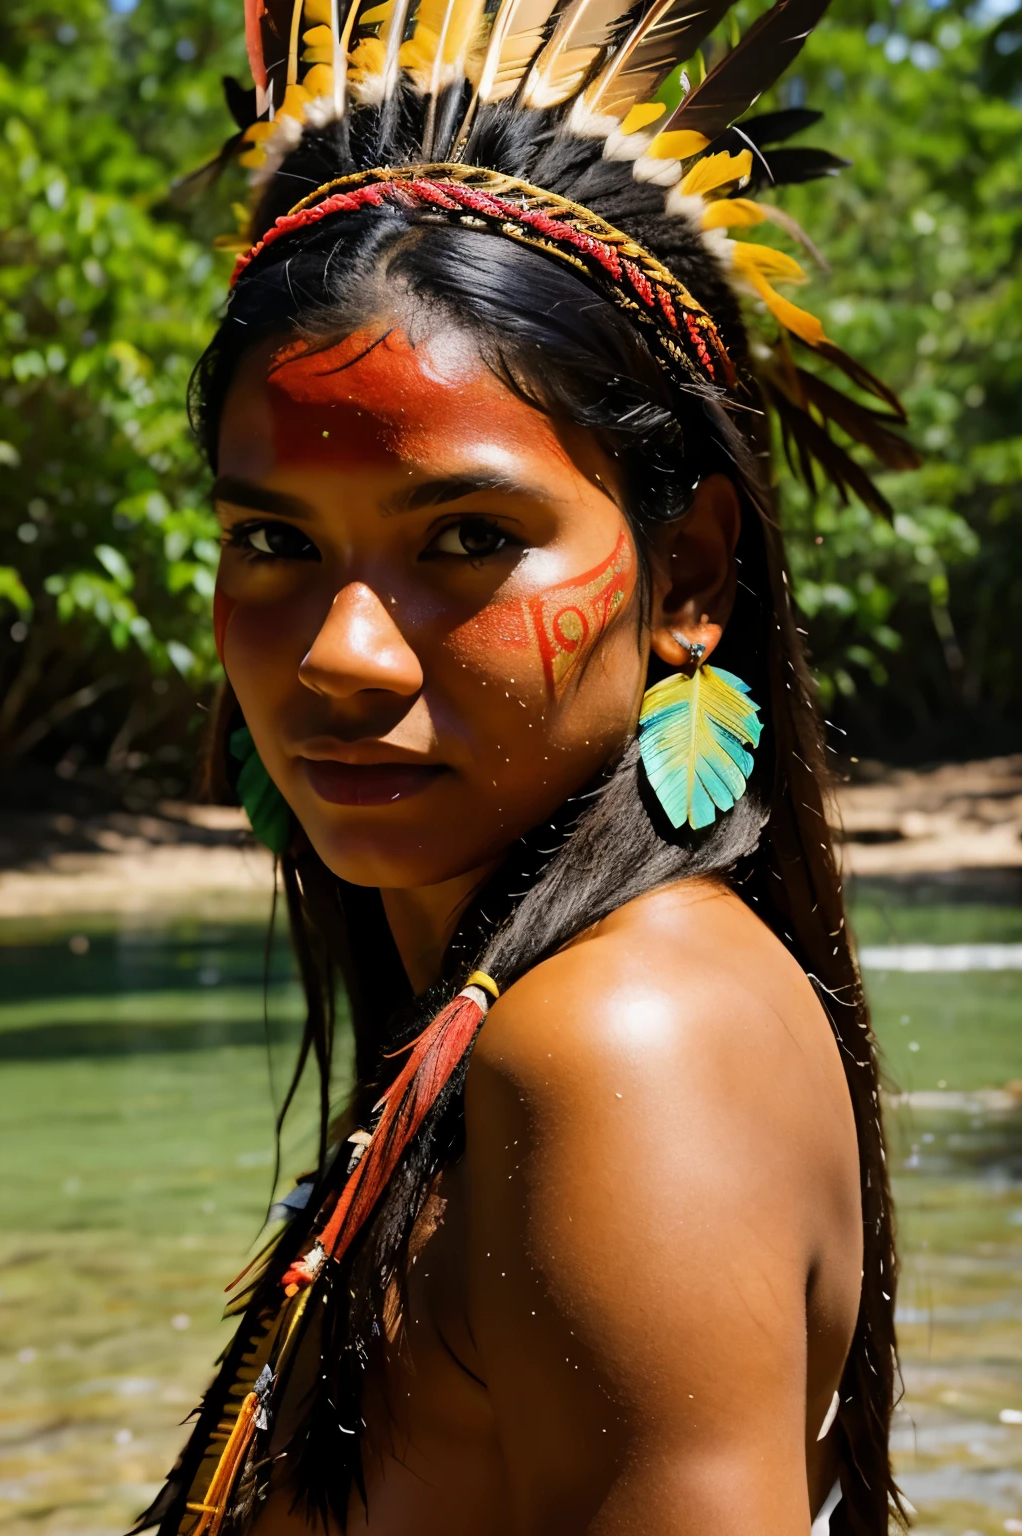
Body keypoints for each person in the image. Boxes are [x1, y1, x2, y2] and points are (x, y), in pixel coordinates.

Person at [137, 0, 915, 1530]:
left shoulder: (627, 1041)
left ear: (689, 574)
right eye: (273, 542)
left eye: (470, 540)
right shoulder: (531, 1013)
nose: (343, 652)